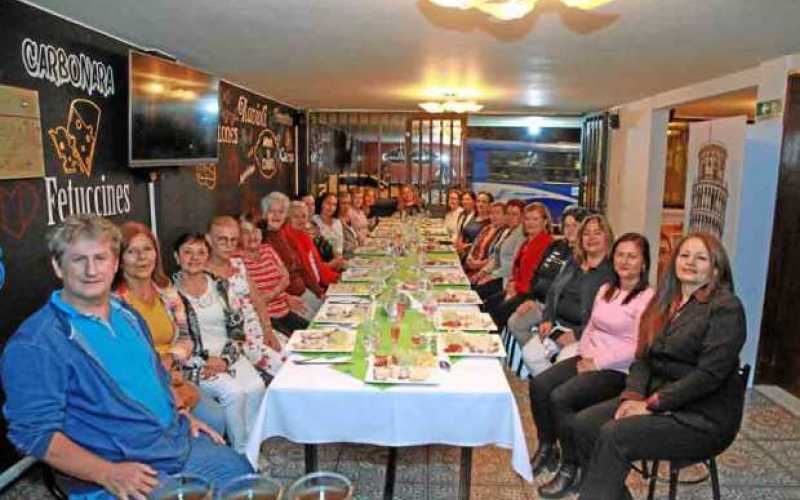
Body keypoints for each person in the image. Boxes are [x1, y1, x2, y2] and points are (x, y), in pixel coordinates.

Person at [0, 215, 252, 499]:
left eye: (101, 258)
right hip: (119, 467)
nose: (91, 270)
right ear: (58, 267)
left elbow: (155, 374)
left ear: (115, 264)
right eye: (78, 260)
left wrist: (180, 412)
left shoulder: (127, 315)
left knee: (244, 479)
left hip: (172, 441)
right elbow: (32, 434)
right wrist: (107, 472)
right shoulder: (36, 344)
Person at [574, 233, 746, 500]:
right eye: (684, 255)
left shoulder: (726, 308)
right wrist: (632, 397)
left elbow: (708, 376)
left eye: (701, 258)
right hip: (658, 399)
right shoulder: (666, 301)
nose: (690, 262)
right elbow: (643, 358)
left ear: (716, 268)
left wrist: (651, 404)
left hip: (700, 415)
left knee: (613, 435)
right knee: (584, 425)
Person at [528, 233, 655, 498]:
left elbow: (638, 346)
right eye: (620, 255)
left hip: (619, 369)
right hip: (590, 358)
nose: (624, 261)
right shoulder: (606, 290)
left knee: (561, 397)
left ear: (644, 263)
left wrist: (597, 362)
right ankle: (547, 446)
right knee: (540, 385)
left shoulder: (648, 299)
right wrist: (584, 355)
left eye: (632, 256)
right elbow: (592, 328)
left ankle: (570, 467)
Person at [114, 221, 225, 435]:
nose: (142, 257)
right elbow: (127, 357)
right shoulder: (115, 303)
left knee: (216, 416)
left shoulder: (167, 292)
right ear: (119, 260)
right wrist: (159, 365)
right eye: (132, 251)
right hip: (142, 383)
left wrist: (172, 358)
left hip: (175, 373)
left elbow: (186, 337)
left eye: (147, 249)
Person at [172, 233, 267, 454]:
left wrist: (225, 359)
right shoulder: (170, 293)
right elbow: (179, 337)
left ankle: (252, 450)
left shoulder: (222, 286)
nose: (194, 258)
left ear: (207, 256)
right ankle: (239, 455)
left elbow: (237, 329)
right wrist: (204, 361)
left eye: (200, 252)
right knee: (234, 393)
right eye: (187, 252)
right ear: (176, 257)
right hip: (194, 361)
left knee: (256, 388)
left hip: (228, 354)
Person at [520, 214, 615, 375]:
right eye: (586, 233)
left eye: (597, 233)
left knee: (563, 361)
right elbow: (553, 291)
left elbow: (607, 319)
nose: (591, 238)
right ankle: (550, 389)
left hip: (587, 334)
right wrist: (547, 319)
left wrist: (577, 334)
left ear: (607, 237)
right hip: (558, 326)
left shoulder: (611, 273)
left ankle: (555, 390)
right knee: (530, 354)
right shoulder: (574, 262)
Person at [507, 206, 585, 346]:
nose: (570, 229)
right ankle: (535, 353)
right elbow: (536, 274)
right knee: (515, 322)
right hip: (538, 301)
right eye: (567, 225)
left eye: (575, 225)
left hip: (556, 309)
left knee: (514, 321)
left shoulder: (584, 256)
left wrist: (548, 311)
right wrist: (531, 299)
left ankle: (543, 356)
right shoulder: (556, 246)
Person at [484, 202, 554, 331]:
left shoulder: (547, 244)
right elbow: (517, 269)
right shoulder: (527, 242)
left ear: (545, 222)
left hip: (530, 295)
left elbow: (536, 279)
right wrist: (512, 284)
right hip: (517, 288)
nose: (530, 223)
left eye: (535, 219)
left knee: (497, 313)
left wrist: (515, 289)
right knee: (488, 304)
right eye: (527, 219)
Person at [237, 216, 310, 334]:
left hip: (284, 311)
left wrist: (275, 295)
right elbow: (249, 297)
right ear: (238, 236)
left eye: (256, 231)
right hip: (263, 319)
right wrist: (276, 294)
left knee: (315, 333)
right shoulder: (236, 260)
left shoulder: (267, 249)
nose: (252, 236)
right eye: (246, 232)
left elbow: (285, 278)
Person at [261, 192, 326, 316]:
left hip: (303, 292)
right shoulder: (261, 240)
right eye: (271, 211)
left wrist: (319, 292)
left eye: (281, 212)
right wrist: (286, 298)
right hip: (286, 301)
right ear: (264, 213)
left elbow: (301, 269)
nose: (276, 216)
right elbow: (266, 282)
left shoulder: (282, 234)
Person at [473, 199, 526, 300]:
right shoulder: (507, 231)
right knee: (473, 287)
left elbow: (513, 265)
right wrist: (483, 272)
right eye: (508, 214)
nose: (510, 217)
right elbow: (495, 257)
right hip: (497, 274)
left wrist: (491, 276)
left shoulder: (522, 236)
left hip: (506, 279)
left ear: (523, 216)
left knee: (476, 294)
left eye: (514, 214)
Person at [286, 201, 340, 290]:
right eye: (296, 216)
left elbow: (319, 267)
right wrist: (319, 292)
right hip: (309, 291)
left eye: (304, 216)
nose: (301, 220)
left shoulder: (305, 237)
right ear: (288, 219)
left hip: (321, 285)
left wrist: (338, 277)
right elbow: (303, 275)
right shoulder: (287, 241)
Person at [464, 201, 505, 280]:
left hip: (484, 272)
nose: (494, 216)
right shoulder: (487, 228)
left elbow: (496, 257)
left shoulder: (504, 232)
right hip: (471, 266)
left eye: (497, 213)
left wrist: (479, 264)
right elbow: (474, 245)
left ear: (505, 216)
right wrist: (469, 258)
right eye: (491, 213)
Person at [456, 191, 492, 258]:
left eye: (484, 202)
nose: (480, 204)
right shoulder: (474, 217)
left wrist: (466, 246)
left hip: (473, 256)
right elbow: (463, 233)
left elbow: (486, 244)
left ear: (490, 205)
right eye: (478, 201)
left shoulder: (490, 222)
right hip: (461, 253)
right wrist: (459, 244)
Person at [313, 193, 345, 260]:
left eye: (334, 205)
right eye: (328, 203)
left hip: (337, 259)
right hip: (321, 260)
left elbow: (340, 245)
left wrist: (338, 257)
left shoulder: (337, 222)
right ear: (321, 203)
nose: (331, 207)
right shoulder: (314, 220)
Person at [337, 191, 360, 257]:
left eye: (348, 203)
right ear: (338, 205)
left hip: (356, 253)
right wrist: (356, 246)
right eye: (343, 203)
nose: (346, 206)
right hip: (347, 257)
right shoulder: (336, 221)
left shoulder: (349, 217)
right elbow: (341, 244)